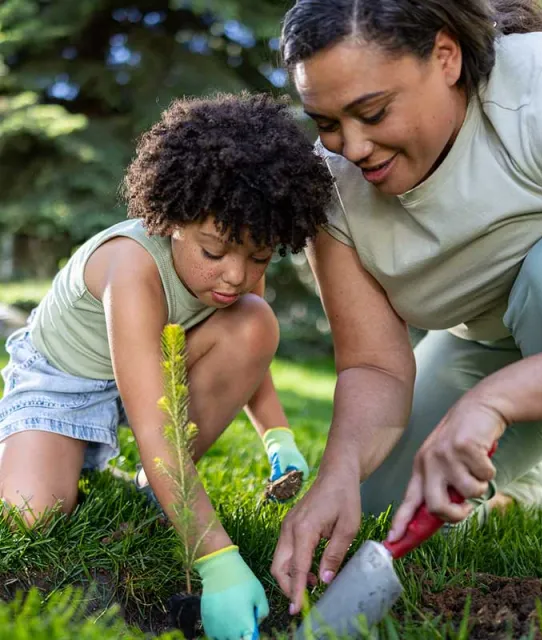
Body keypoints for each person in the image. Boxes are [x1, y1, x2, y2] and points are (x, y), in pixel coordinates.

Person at [270, 0, 542, 617]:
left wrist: (492, 402)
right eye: (327, 121)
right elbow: (375, 367)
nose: (352, 146)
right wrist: (337, 470)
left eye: (372, 111)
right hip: (489, 341)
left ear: (445, 56)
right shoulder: (331, 183)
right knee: (379, 506)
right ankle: (517, 490)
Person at [0, 92, 333, 639]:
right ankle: (63, 454)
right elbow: (156, 423)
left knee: (256, 319)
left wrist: (277, 436)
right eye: (214, 251)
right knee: (30, 517)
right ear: (173, 219)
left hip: (160, 363)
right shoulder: (130, 267)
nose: (233, 276)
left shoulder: (239, 263)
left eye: (258, 258)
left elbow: (249, 351)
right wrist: (215, 557)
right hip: (63, 383)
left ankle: (157, 489)